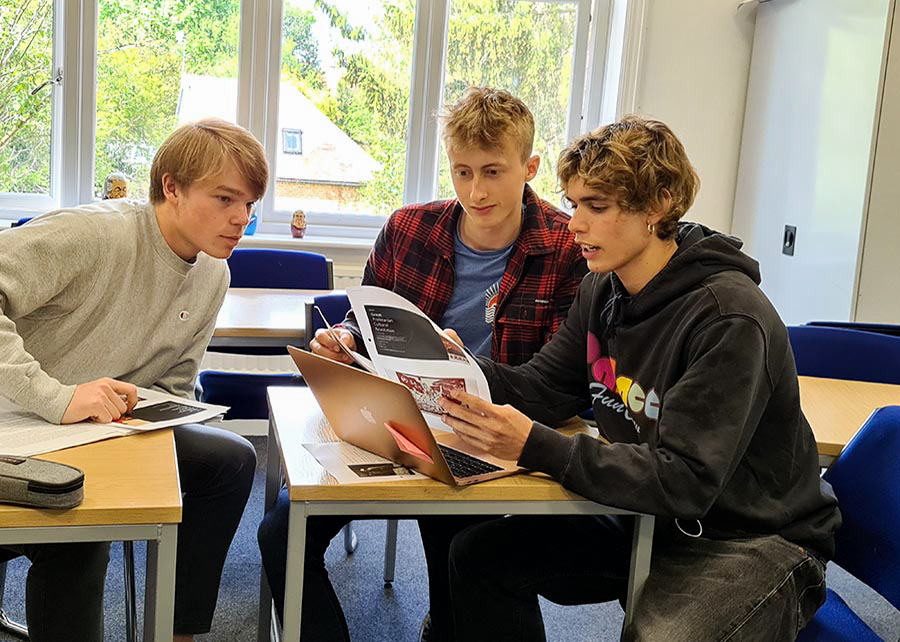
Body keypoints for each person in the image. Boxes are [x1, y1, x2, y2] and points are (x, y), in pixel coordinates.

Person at [438, 116, 842, 642]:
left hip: (749, 536)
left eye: (597, 207)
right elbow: (544, 387)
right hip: (648, 511)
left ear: (658, 207)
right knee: (479, 555)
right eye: (574, 203)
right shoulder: (602, 289)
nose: (574, 224)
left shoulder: (728, 317)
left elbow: (686, 479)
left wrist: (536, 446)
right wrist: (457, 367)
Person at [257, 86, 587, 641]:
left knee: (464, 548)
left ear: (529, 167)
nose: (475, 191)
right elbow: (365, 323)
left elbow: (562, 381)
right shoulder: (409, 228)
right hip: (396, 420)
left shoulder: (567, 246)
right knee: (280, 533)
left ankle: (449, 621)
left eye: (492, 172)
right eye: (461, 172)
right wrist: (342, 342)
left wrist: (472, 374)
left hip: (491, 435)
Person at [0, 118, 267, 642]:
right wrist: (56, 398)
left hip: (99, 430)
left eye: (250, 204)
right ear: (171, 186)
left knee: (231, 459)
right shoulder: (93, 233)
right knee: (84, 525)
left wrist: (158, 413)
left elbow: (176, 380)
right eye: (225, 199)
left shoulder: (215, 271)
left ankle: (177, 629)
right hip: (19, 421)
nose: (242, 219)